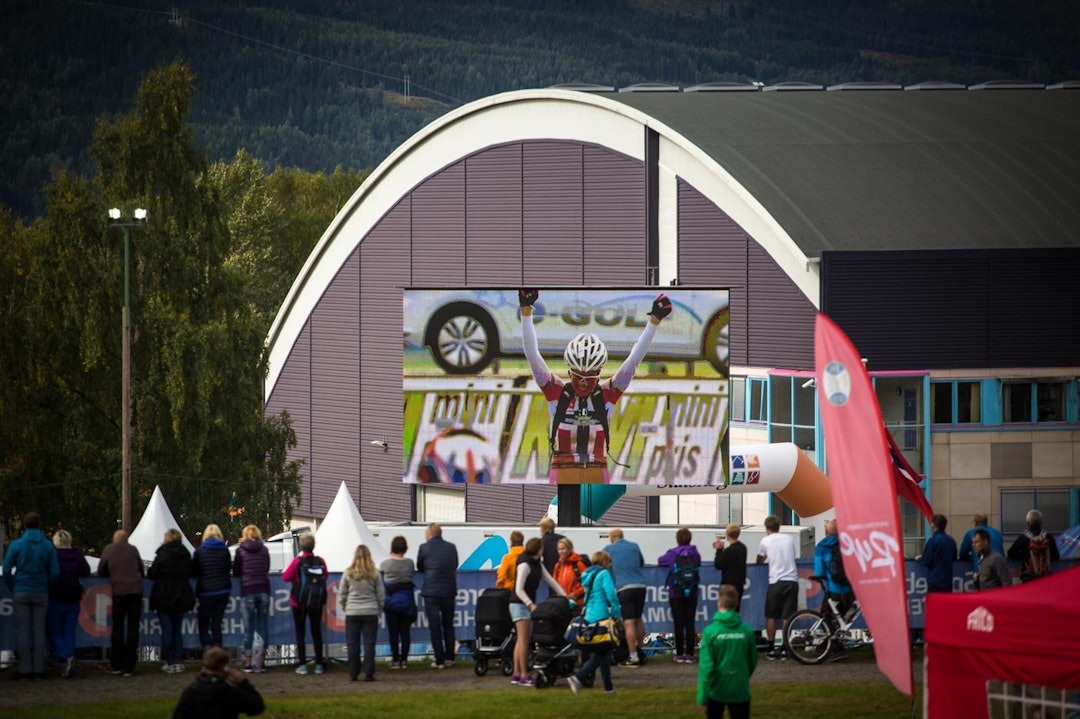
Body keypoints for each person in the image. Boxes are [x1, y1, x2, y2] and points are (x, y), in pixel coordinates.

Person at [518, 288, 672, 484]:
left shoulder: (607, 394)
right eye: (578, 377)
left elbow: (633, 361)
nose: (583, 383)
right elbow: (532, 356)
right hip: (562, 468)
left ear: (599, 374)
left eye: (590, 377)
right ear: (570, 372)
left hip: (597, 469)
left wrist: (654, 321)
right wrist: (526, 311)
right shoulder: (557, 392)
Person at [3, 511, 59, 680]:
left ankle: (25, 668)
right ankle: (39, 668)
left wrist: (13, 585)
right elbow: (55, 571)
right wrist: (47, 584)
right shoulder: (47, 545)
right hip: (41, 590)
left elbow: (6, 570)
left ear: (25, 525)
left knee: (22, 631)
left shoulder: (16, 545)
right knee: (39, 630)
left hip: (21, 589)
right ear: (39, 524)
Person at [509, 537, 567, 686]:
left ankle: (516, 674)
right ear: (539, 550)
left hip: (521, 604)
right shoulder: (525, 564)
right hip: (519, 604)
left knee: (520, 640)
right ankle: (524, 675)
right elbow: (518, 589)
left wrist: (565, 597)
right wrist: (530, 604)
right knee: (524, 640)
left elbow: (551, 581)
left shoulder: (536, 564)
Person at [697, 585, 757, 719]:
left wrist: (702, 696)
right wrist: (741, 675)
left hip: (716, 690)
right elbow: (752, 661)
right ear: (736, 604)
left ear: (719, 603)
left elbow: (706, 668)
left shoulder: (710, 632)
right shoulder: (746, 631)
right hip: (740, 688)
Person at [567, 550, 621, 696]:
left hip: (589, 616)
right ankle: (577, 677)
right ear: (604, 562)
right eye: (609, 562)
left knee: (604, 651)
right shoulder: (604, 574)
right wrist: (617, 614)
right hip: (601, 615)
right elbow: (611, 594)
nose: (610, 565)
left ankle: (608, 688)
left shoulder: (586, 575)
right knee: (604, 652)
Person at [149, 528, 196, 674]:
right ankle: (178, 661)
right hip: (181, 595)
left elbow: (152, 573)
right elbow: (192, 572)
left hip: (163, 595)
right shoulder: (186, 554)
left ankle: (169, 661)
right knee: (177, 630)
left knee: (167, 630)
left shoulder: (162, 554)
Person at [98, 528, 144, 676]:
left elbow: (101, 570)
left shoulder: (108, 550)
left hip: (118, 592)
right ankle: (129, 666)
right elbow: (141, 570)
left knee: (117, 628)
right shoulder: (133, 549)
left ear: (114, 539)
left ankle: (117, 663)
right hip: (136, 591)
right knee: (133, 628)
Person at [172, 646, 265, 719]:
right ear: (225, 666)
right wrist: (243, 682)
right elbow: (257, 706)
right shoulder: (227, 692)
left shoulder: (190, 691)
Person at [282, 533, 329, 674]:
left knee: (300, 633)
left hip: (299, 602)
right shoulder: (320, 561)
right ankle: (319, 664)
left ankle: (302, 665)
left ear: (301, 546)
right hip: (316, 601)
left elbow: (285, 577)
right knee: (316, 632)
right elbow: (325, 576)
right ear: (313, 546)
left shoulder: (297, 561)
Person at [46, 528, 90, 679]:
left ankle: (64, 657)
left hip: (56, 596)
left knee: (54, 631)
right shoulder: (78, 554)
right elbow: (86, 570)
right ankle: (70, 656)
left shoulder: (53, 555)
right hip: (74, 596)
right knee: (69, 631)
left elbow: (50, 572)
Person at [416, 523, 459, 669]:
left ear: (429, 534)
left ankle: (439, 660)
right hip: (448, 591)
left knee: (435, 627)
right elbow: (455, 565)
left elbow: (420, 567)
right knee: (448, 625)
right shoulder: (451, 547)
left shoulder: (424, 548)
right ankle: (450, 658)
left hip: (431, 592)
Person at [339, 544, 385, 682]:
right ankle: (369, 673)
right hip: (370, 612)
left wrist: (346, 608)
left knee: (353, 644)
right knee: (369, 644)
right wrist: (378, 608)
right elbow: (380, 594)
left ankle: (353, 673)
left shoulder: (348, 573)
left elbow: (342, 594)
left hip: (352, 612)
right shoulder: (375, 573)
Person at [604, 527, 647, 666]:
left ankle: (633, 656)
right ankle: (641, 651)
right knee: (638, 619)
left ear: (612, 538)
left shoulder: (608, 549)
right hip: (640, 586)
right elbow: (641, 562)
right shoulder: (634, 546)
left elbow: (604, 565)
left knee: (628, 622)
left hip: (624, 588)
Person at [658, 527, 702, 663]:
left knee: (678, 623)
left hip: (676, 592)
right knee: (690, 623)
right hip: (692, 592)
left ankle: (679, 654)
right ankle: (690, 654)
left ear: (677, 539)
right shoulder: (695, 553)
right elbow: (699, 564)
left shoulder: (672, 554)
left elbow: (660, 561)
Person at [756, 515, 797, 660]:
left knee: (771, 616)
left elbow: (759, 559)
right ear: (779, 526)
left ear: (766, 528)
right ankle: (786, 647)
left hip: (776, 580)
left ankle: (771, 647)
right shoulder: (789, 539)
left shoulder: (765, 541)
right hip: (792, 580)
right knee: (788, 616)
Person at [812, 519, 853, 661]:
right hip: (849, 589)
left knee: (826, 616)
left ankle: (836, 648)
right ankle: (828, 645)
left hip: (833, 589)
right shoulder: (848, 543)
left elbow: (819, 571)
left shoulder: (822, 546)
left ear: (826, 531)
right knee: (839, 618)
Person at [232, 524, 271, 673]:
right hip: (264, 589)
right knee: (263, 627)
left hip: (248, 589)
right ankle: (261, 661)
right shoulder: (264, 549)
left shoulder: (240, 550)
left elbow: (236, 570)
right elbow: (266, 568)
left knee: (248, 628)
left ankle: (248, 662)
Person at [192, 524, 232, 649]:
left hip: (206, 592)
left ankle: (208, 652)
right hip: (222, 591)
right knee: (216, 624)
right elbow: (227, 569)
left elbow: (195, 571)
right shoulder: (225, 550)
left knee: (203, 624)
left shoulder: (199, 551)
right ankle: (217, 651)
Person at [380, 535, 417, 670]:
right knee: (405, 632)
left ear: (392, 548)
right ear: (405, 548)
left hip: (391, 602)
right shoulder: (410, 563)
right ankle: (404, 660)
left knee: (393, 632)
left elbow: (383, 572)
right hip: (406, 601)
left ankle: (395, 660)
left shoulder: (385, 564)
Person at [1006, 509, 1060, 582]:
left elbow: (1010, 553)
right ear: (1041, 522)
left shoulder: (1023, 538)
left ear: (1028, 523)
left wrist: (1023, 555)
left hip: (1028, 577)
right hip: (1046, 577)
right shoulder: (1048, 537)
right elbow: (1056, 557)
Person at [916, 514, 958, 594]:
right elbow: (954, 558)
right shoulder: (951, 541)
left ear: (933, 525)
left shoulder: (932, 541)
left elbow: (926, 561)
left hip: (935, 581)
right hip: (947, 581)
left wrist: (919, 559)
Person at [712, 524, 747, 611]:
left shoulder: (729, 551)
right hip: (740, 583)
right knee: (736, 609)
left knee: (727, 609)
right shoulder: (743, 548)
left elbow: (718, 564)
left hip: (729, 584)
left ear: (727, 534)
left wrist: (719, 550)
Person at [552, 536, 589, 608]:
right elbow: (554, 584)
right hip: (563, 602)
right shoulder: (558, 566)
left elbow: (587, 584)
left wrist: (574, 594)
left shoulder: (579, 564)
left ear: (570, 549)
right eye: (559, 549)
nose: (560, 551)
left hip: (578, 603)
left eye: (563, 549)